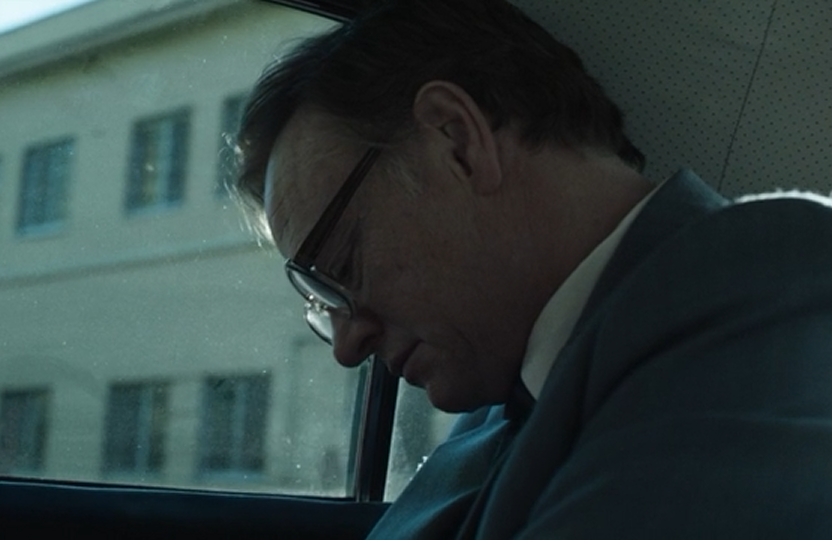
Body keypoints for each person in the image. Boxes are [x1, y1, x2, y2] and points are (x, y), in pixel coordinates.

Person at [232, 0, 832, 538]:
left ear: (459, 143)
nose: (346, 348)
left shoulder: (780, 287)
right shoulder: (498, 402)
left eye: (341, 264)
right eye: (322, 299)